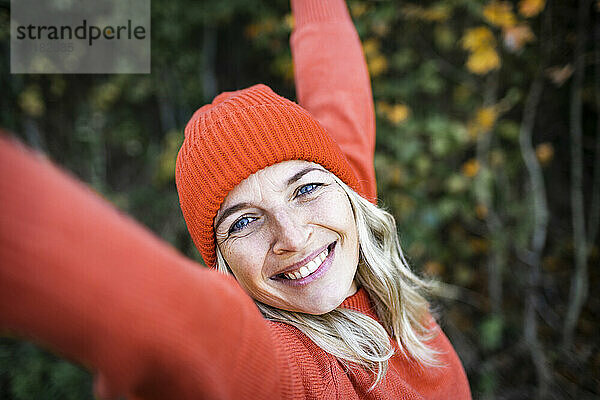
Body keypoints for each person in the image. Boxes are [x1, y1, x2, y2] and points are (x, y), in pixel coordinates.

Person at [0, 0, 471, 398]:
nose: (294, 235)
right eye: (244, 222)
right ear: (222, 262)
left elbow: (335, 81)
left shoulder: (346, 223)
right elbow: (181, 328)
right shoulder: (292, 370)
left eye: (305, 189)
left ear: (347, 193)